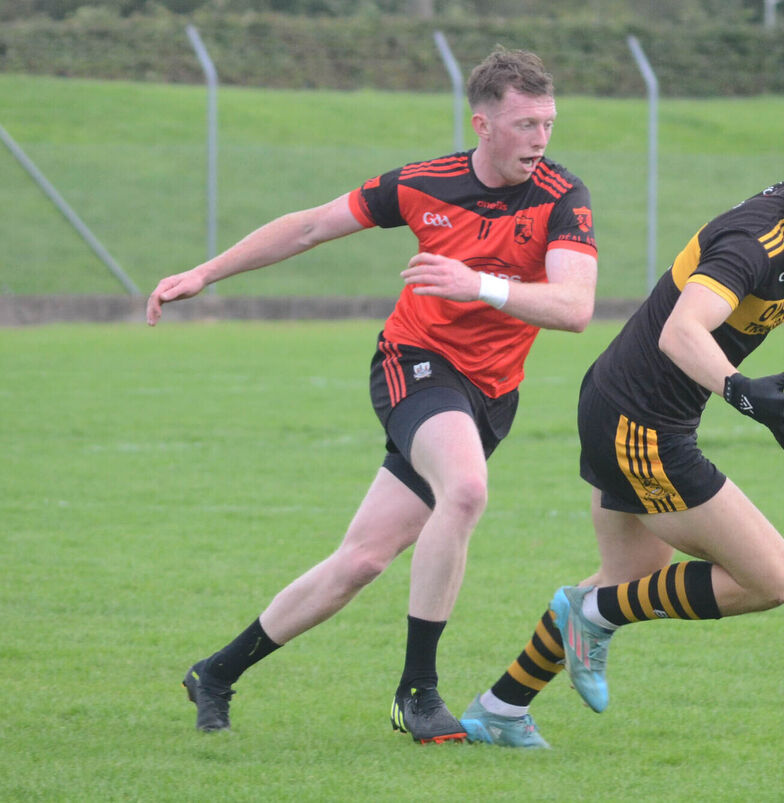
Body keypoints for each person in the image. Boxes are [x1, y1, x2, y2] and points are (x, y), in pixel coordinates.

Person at [457, 107, 784, 748]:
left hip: (622, 399)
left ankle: (499, 708)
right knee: (769, 578)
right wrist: (742, 392)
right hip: (640, 421)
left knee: (631, 576)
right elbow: (682, 331)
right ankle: (589, 616)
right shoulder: (758, 243)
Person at [146, 47, 598, 744]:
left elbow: (574, 307)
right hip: (414, 363)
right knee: (467, 490)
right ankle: (418, 692)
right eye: (525, 124)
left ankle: (215, 671)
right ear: (483, 124)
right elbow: (309, 225)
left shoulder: (562, 197)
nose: (540, 140)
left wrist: (476, 283)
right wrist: (204, 272)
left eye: (548, 123)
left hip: (491, 394)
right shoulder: (425, 185)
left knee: (358, 561)